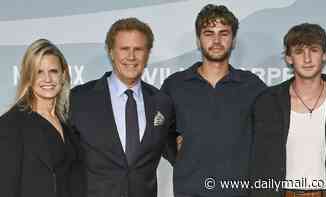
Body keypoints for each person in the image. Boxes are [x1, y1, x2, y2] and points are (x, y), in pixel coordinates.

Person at [161, 4, 266, 197]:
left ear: (233, 40)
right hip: (190, 191)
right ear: (198, 41)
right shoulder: (175, 85)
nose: (216, 40)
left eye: (224, 33)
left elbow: (276, 122)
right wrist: (174, 150)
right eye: (209, 33)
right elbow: (158, 131)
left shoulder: (252, 85)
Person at [69, 17, 177, 197]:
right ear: (111, 52)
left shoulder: (162, 102)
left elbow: (177, 151)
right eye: (124, 49)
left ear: (147, 54)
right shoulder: (79, 99)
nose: (131, 57)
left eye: (138, 49)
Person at [250, 23, 326, 197]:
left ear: (325, 55)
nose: (307, 59)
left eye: (314, 50)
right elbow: (258, 161)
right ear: (289, 58)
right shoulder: (267, 102)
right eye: (299, 52)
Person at [0, 39, 85, 197]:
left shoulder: (69, 123)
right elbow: (6, 188)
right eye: (39, 72)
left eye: (53, 71)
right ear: (28, 78)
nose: (47, 79)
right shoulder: (11, 125)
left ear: (63, 75)